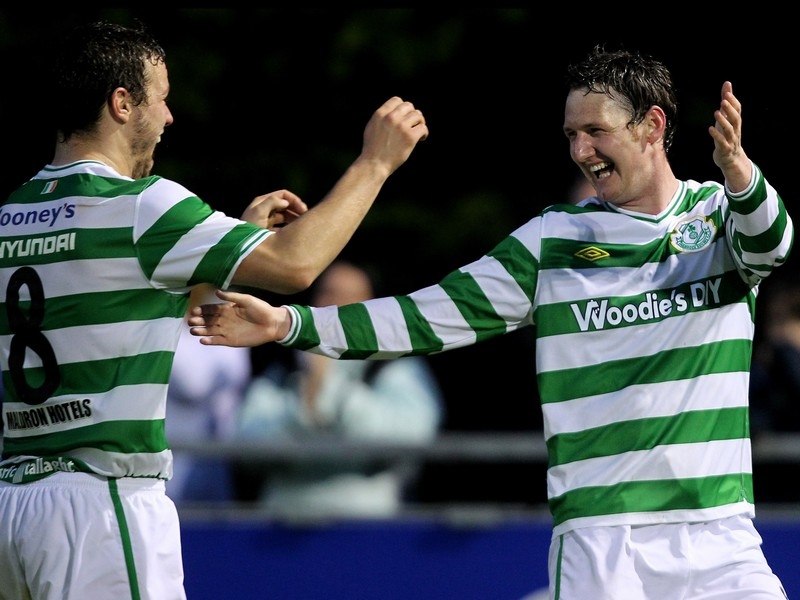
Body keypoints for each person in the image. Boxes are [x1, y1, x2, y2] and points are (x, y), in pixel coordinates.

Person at [189, 45, 793, 599]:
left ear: (652, 126)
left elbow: (774, 244)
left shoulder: (719, 217)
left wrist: (738, 171)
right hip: (602, 539)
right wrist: (289, 325)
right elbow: (422, 318)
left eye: (595, 131)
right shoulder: (554, 239)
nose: (581, 150)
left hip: (718, 532)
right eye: (571, 135)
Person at [0, 19, 428, 600]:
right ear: (122, 103)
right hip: (99, 503)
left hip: (12, 503)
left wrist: (226, 247)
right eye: (162, 100)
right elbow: (297, 264)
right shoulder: (142, 206)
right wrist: (376, 163)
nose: (170, 117)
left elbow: (119, 300)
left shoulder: (12, 212)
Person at [235, 259, 444, 518]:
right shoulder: (285, 367)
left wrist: (332, 388)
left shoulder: (393, 366)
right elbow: (245, 443)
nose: (336, 306)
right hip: (284, 526)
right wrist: (300, 410)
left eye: (350, 298)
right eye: (328, 293)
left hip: (369, 523)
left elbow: (414, 436)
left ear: (375, 308)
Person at [164, 286, 252, 505]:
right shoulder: (163, 320)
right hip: (177, 456)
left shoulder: (221, 305)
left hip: (220, 455)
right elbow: (194, 384)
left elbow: (239, 370)